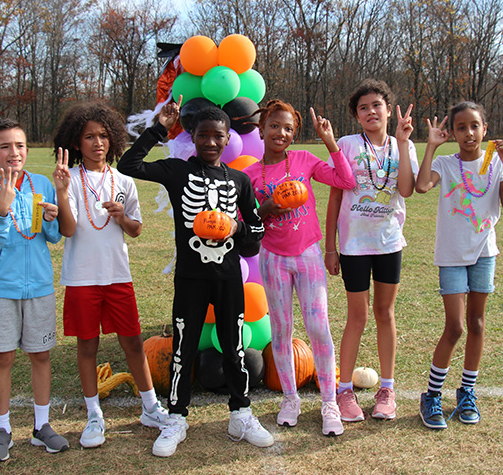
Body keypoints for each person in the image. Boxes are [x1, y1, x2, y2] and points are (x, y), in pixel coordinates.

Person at [117, 102, 273, 457]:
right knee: (183, 349)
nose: (211, 142)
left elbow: (256, 234)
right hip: (191, 277)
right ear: (193, 137)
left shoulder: (240, 180)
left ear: (228, 138)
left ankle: (241, 412)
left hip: (229, 276)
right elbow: (128, 165)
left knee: (233, 348)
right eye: (203, 135)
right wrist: (159, 128)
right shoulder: (177, 172)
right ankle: (176, 418)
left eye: (218, 136)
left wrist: (237, 227)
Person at [51, 101, 168, 449]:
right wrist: (60, 193)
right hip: (81, 278)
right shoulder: (67, 179)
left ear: (113, 139)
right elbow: (68, 231)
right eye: (89, 137)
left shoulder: (123, 180)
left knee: (132, 341)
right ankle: (93, 415)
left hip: (118, 276)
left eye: (103, 135)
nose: (97, 143)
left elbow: (136, 229)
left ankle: (150, 407)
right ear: (76, 142)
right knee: (87, 346)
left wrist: (121, 217)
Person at [242, 100, 354, 436]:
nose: (281, 133)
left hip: (307, 255)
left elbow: (345, 180)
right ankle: (290, 398)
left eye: (289, 128)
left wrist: (330, 141)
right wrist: (268, 207)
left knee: (319, 327)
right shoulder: (249, 175)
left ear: (295, 134)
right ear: (262, 129)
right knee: (282, 330)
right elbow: (246, 220)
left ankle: (329, 402)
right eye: (275, 126)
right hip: (273, 258)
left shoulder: (303, 160)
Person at [414, 101, 503, 429]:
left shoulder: (493, 162)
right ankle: (431, 395)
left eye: (475, 126)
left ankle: (467, 392)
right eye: (461, 127)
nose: (469, 133)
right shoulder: (445, 163)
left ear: (484, 129)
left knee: (477, 324)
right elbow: (421, 186)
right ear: (454, 133)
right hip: (452, 256)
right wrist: (431, 145)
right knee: (455, 326)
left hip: (484, 254)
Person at [0, 118, 69, 463]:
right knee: (4, 358)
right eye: (5, 146)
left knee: (40, 355)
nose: (14, 153)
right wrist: (2, 206)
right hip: (1, 289)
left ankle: (42, 426)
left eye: (20, 146)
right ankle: (3, 428)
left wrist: (51, 217)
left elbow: (53, 237)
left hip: (39, 288)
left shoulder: (39, 183)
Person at [324, 79, 418, 422]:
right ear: (356, 115)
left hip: (388, 243)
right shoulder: (347, 145)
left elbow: (406, 189)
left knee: (385, 313)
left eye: (376, 105)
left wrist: (405, 144)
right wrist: (330, 246)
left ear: (388, 109)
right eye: (363, 107)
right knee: (357, 316)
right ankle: (344, 390)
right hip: (353, 245)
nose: (370, 112)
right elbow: (336, 195)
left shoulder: (402, 144)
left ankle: (387, 389)